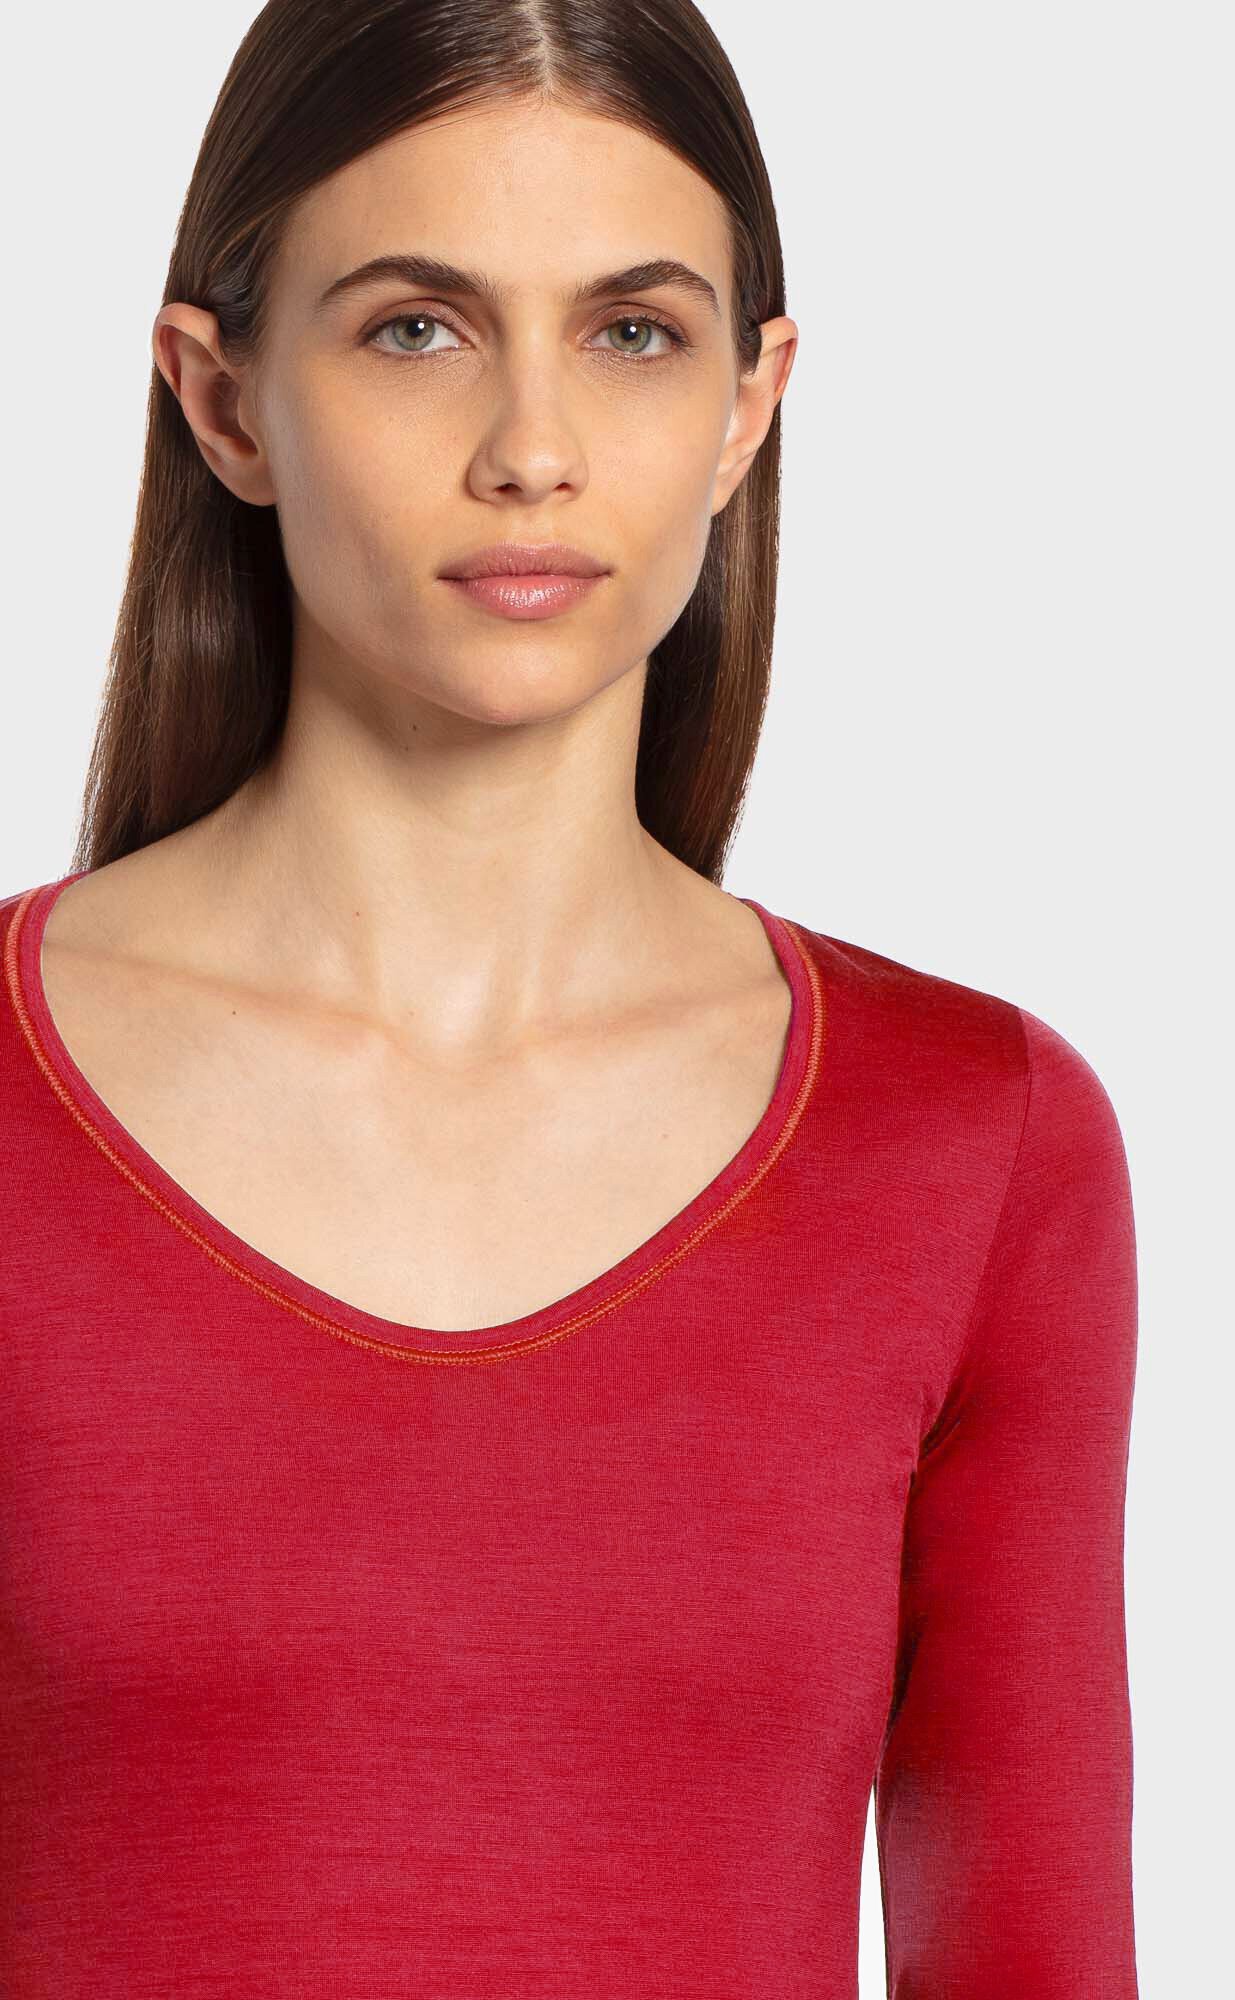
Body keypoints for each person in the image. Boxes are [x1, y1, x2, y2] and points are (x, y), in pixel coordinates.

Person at [0, 3, 1140, 1994]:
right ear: (224, 400)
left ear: (749, 402)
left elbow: (1032, 1958)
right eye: (415, 327)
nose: (531, 450)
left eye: (631, 332)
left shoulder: (976, 1146)